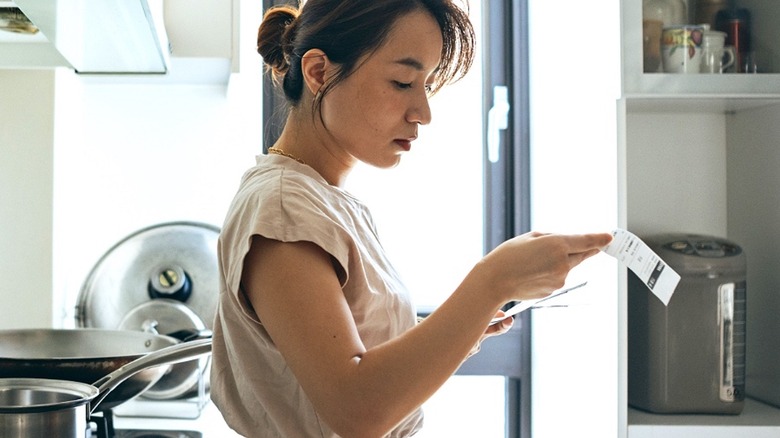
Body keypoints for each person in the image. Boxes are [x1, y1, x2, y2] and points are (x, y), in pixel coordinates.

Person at [210, 1, 613, 437]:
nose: (423, 112)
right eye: (403, 82)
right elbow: (356, 410)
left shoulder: (319, 199)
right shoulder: (284, 207)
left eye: (428, 84)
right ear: (319, 72)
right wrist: (491, 282)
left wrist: (464, 325)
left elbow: (354, 358)